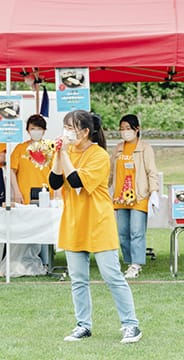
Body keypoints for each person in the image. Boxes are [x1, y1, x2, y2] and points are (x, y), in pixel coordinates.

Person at [49, 110, 142, 344]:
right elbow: (55, 181)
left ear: (85, 132)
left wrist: (63, 154)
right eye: (65, 127)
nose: (67, 132)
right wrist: (60, 154)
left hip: (98, 222)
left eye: (71, 128)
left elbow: (76, 181)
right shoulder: (65, 151)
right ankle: (83, 325)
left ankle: (131, 325)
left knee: (112, 276)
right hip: (73, 222)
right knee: (78, 279)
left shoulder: (98, 155)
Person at [110, 114, 159, 279]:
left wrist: (154, 192)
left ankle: (136, 264)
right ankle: (129, 262)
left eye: (128, 128)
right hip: (120, 197)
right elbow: (110, 172)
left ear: (136, 129)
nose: (125, 132)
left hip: (139, 196)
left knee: (136, 231)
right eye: (122, 129)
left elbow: (151, 172)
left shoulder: (145, 148)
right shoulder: (118, 148)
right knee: (123, 232)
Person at [10, 114, 54, 266]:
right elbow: (12, 170)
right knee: (27, 228)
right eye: (32, 128)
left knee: (44, 228)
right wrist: (16, 191)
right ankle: (27, 260)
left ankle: (46, 261)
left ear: (44, 130)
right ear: (27, 130)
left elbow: (57, 171)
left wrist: (58, 194)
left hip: (46, 195)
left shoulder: (50, 148)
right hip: (24, 194)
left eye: (39, 129)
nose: (35, 131)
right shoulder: (20, 148)